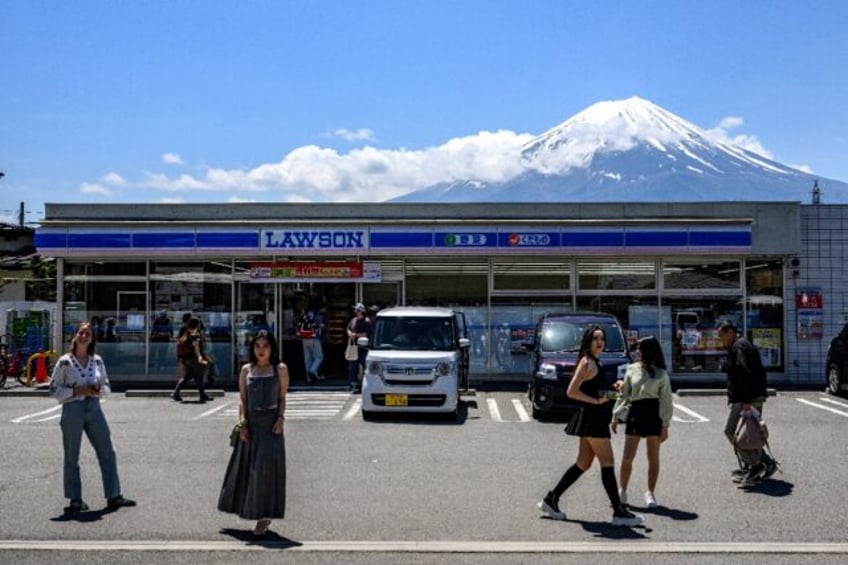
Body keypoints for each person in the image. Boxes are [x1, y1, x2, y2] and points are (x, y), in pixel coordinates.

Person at [537, 325, 644, 527]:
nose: (599, 341)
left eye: (602, 338)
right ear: (588, 341)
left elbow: (597, 392)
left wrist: (615, 390)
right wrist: (594, 401)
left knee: (583, 463)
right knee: (608, 462)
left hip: (593, 418)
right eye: (595, 338)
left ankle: (550, 499)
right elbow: (571, 391)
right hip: (592, 418)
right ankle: (619, 512)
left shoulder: (595, 361)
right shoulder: (587, 362)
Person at [47, 322, 136, 513]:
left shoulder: (97, 361)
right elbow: (53, 390)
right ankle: (75, 499)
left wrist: (98, 390)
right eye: (81, 333)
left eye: (87, 333)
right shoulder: (64, 362)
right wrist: (77, 390)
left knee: (107, 450)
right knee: (72, 455)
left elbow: (106, 385)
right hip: (73, 408)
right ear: (75, 337)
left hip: (94, 407)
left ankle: (114, 495)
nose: (84, 336)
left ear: (92, 339)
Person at [218, 330, 289, 537]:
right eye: (257, 346)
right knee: (245, 470)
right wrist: (242, 423)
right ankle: (246, 510)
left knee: (263, 472)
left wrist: (281, 418)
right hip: (250, 425)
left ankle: (264, 518)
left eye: (265, 346)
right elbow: (242, 399)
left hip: (270, 426)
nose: (261, 350)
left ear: (272, 348)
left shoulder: (280, 369)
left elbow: (283, 397)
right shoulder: (246, 369)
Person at [611, 336, 673, 508]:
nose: (637, 351)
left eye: (640, 348)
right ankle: (622, 490)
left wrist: (665, 425)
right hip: (636, 413)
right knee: (627, 457)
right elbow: (624, 394)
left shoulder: (661, 373)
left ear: (648, 351)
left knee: (653, 458)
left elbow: (666, 401)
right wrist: (615, 415)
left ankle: (650, 493)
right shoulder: (632, 369)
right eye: (637, 348)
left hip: (654, 414)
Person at [717, 321, 778, 486]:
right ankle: (762, 463)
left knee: (730, 431)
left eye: (721, 335)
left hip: (747, 398)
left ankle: (756, 465)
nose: (720, 339)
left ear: (730, 332)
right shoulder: (740, 345)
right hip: (750, 396)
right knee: (751, 433)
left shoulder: (739, 347)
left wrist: (746, 401)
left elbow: (745, 374)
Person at [171, 316, 210, 403]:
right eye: (199, 324)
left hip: (186, 358)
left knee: (187, 376)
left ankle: (176, 393)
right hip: (194, 358)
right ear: (196, 325)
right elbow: (196, 346)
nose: (200, 325)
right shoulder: (194, 333)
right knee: (199, 377)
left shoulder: (187, 333)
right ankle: (202, 395)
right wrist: (200, 357)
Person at [297, 300, 326, 383]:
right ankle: (312, 371)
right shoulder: (318, 315)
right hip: (314, 338)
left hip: (304, 338)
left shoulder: (305, 315)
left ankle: (309, 378)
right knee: (319, 357)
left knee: (308, 358)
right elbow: (321, 327)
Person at [346, 302, 371, 393]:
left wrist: (356, 335)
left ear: (361, 311)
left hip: (364, 348)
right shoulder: (353, 320)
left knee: (365, 366)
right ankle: (353, 384)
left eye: (357, 310)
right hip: (354, 347)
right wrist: (350, 334)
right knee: (352, 366)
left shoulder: (367, 321)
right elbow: (348, 328)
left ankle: (367, 383)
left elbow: (367, 334)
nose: (355, 311)